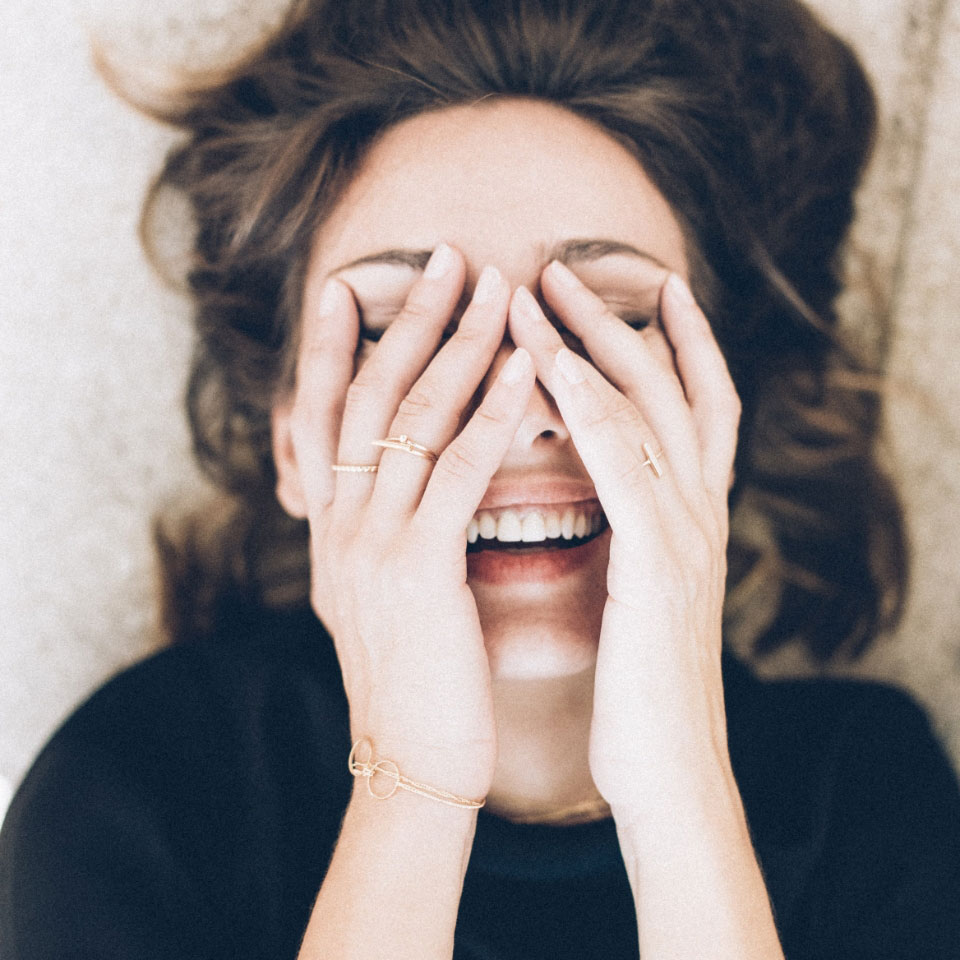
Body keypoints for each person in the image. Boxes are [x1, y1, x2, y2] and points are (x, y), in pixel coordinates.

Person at [2, 0, 959, 957]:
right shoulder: (143, 790)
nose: (521, 407)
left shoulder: (872, 799)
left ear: (719, 413)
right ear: (293, 445)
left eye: (610, 320)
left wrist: (682, 795)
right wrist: (409, 786)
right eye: (404, 333)